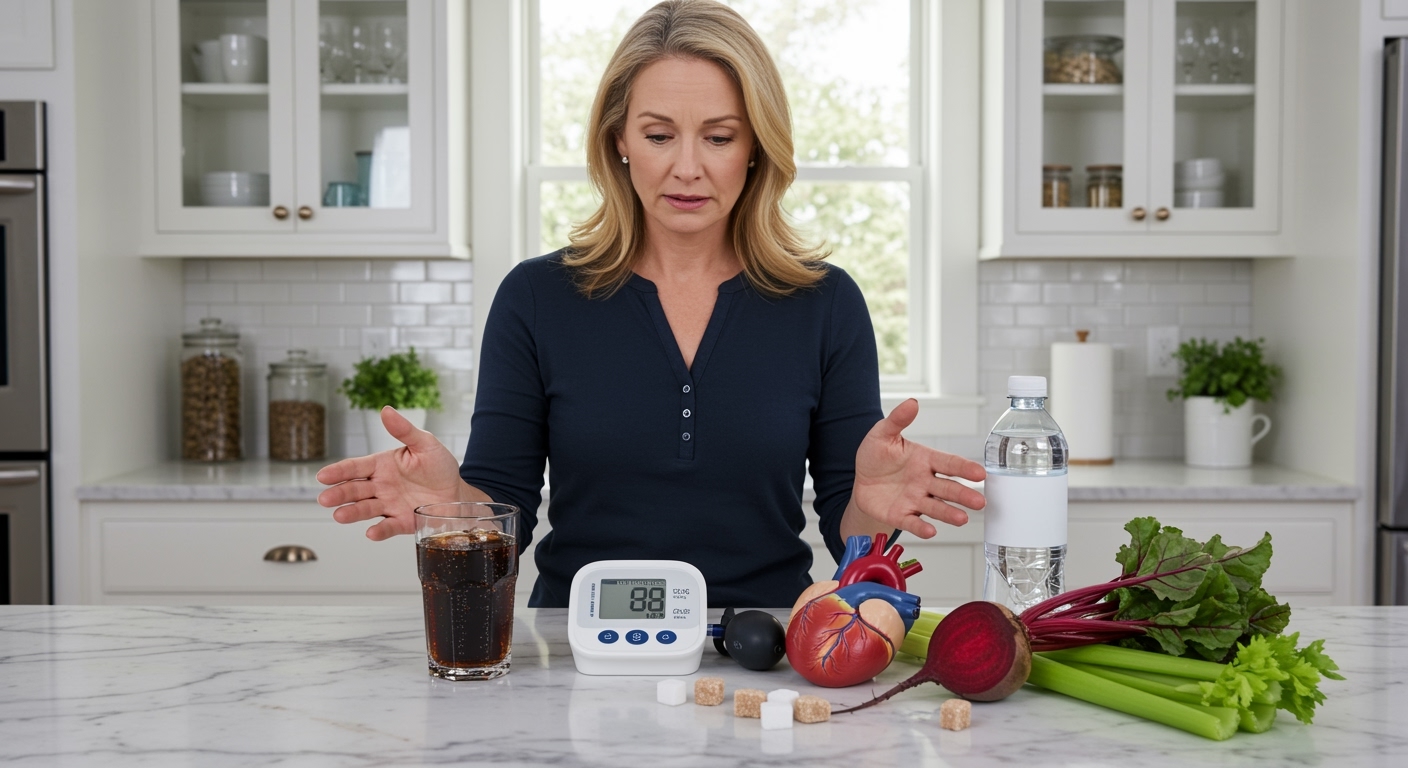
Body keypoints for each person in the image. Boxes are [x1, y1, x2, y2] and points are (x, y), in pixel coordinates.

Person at [317, 0, 986, 608]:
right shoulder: (536, 298)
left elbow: (853, 543)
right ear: (620, 140)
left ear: (755, 147)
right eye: (660, 134)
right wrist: (454, 509)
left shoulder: (826, 302)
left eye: (719, 137)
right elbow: (504, 521)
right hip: (577, 649)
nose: (687, 167)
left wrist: (870, 506)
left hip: (767, 645)